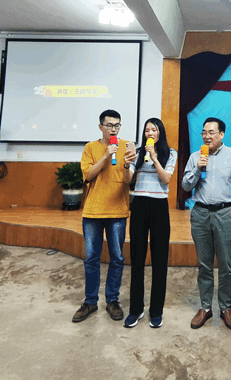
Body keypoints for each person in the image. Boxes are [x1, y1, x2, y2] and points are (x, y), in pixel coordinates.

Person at [182, 117, 231, 330]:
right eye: (204, 132)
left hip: (225, 213)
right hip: (200, 214)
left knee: (226, 265)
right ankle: (205, 307)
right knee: (204, 264)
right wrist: (197, 168)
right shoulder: (195, 156)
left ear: (221, 134)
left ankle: (226, 308)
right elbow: (186, 186)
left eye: (211, 132)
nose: (206, 136)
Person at [72, 109, 137, 323]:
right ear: (101, 127)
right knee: (91, 258)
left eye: (117, 125)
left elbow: (128, 180)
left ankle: (112, 300)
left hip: (117, 211)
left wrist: (126, 165)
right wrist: (107, 154)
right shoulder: (91, 148)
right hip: (93, 212)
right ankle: (90, 301)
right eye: (109, 125)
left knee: (117, 258)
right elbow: (88, 175)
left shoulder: (127, 146)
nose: (113, 129)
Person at [125, 118, 178, 329]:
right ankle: (135, 309)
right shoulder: (138, 153)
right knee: (137, 258)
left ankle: (156, 311)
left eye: (153, 129)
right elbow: (128, 179)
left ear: (160, 133)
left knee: (159, 260)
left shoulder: (170, 153)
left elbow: (166, 179)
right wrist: (125, 164)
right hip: (139, 205)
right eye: (147, 130)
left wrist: (154, 158)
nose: (150, 133)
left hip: (159, 206)